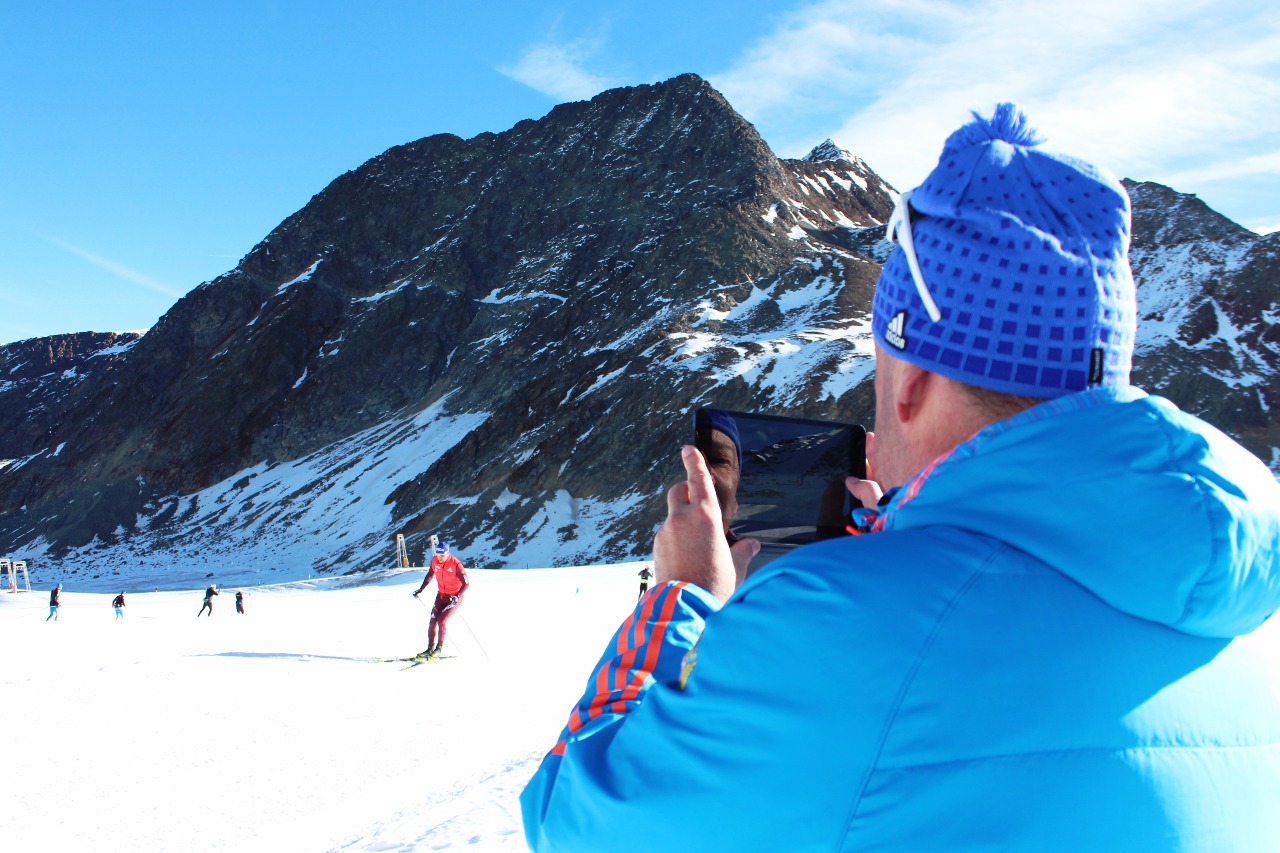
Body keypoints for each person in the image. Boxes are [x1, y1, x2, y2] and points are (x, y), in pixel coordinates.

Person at [521, 104, 1280, 850]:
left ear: (911, 379)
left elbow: (575, 820)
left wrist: (677, 598)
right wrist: (911, 543)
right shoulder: (1231, 631)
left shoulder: (831, 630)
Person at [412, 541, 469, 657]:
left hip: (454, 598)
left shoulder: (456, 564)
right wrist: (421, 589)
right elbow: (430, 574)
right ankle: (429, 649)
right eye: (438, 555)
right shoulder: (434, 560)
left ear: (448, 553)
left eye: (442, 555)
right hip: (441, 596)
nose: (440, 558)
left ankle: (439, 649)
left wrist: (457, 595)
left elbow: (466, 584)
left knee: (441, 621)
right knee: (432, 622)